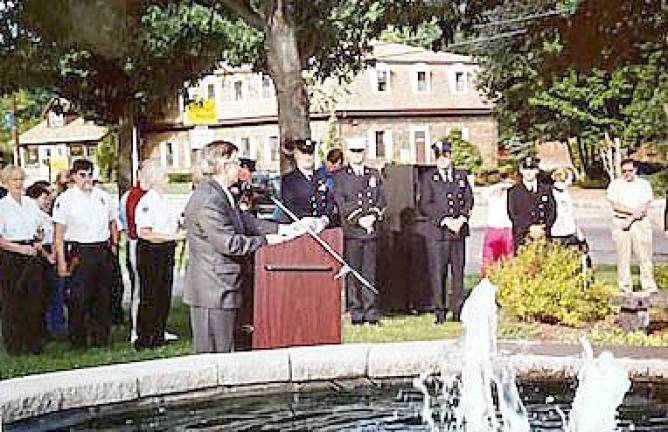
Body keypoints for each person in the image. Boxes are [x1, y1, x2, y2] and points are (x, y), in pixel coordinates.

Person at [183, 140, 306, 353]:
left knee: (229, 353)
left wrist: (285, 229)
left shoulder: (221, 193)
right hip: (213, 292)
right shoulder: (209, 199)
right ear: (224, 165)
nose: (240, 168)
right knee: (215, 358)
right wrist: (267, 242)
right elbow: (229, 243)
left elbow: (245, 221)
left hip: (224, 287)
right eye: (237, 162)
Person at [53, 159, 119, 348]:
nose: (87, 179)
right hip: (79, 251)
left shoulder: (102, 196)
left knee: (103, 296)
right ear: (74, 176)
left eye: (90, 174)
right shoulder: (65, 199)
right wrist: (62, 263)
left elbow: (113, 222)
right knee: (78, 298)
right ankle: (78, 340)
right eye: (82, 175)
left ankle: (101, 339)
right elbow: (58, 234)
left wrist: (113, 245)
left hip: (101, 249)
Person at [418, 140, 474, 323]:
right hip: (438, 233)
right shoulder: (428, 178)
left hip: (458, 232)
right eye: (440, 157)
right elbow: (425, 204)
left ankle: (458, 311)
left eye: (446, 156)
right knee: (438, 273)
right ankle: (440, 311)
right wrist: (445, 220)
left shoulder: (460, 176)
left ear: (451, 157)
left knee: (458, 273)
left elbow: (468, 199)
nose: (443, 160)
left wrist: (462, 218)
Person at [333, 137, 386, 325]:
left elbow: (381, 200)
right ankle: (355, 311)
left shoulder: (373, 174)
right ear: (348, 153)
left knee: (370, 272)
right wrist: (359, 219)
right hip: (353, 232)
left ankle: (370, 311)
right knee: (353, 272)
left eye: (360, 151)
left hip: (371, 230)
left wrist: (372, 216)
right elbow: (341, 201)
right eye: (354, 151)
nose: (357, 155)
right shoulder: (340, 176)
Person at [133, 161, 186, 350]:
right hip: (151, 251)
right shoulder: (147, 202)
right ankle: (145, 337)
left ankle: (159, 333)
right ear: (155, 179)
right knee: (150, 295)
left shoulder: (166, 200)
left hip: (166, 249)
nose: (168, 179)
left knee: (164, 293)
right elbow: (145, 233)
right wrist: (173, 236)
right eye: (164, 176)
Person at [0, 166, 50, 354]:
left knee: (35, 299)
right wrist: (19, 249)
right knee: (13, 301)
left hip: (32, 251)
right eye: (14, 180)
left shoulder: (30, 203)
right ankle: (14, 345)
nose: (19, 183)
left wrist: (38, 240)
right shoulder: (2, 207)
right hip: (12, 254)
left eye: (21, 179)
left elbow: (40, 225)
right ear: (5, 183)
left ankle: (34, 343)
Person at [607, 159, 657, 293]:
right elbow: (616, 205)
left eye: (630, 171)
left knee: (644, 256)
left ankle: (648, 286)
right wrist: (630, 215)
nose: (627, 174)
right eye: (624, 171)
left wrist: (632, 219)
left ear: (635, 170)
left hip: (640, 222)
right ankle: (624, 286)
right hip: (621, 222)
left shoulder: (643, 184)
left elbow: (645, 205)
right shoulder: (615, 185)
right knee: (623, 257)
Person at [26, 182, 67, 336]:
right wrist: (48, 255)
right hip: (45, 254)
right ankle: (52, 327)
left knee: (56, 292)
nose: (48, 201)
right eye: (44, 197)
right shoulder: (35, 216)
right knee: (50, 293)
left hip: (53, 251)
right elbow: (37, 239)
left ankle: (57, 325)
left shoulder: (47, 215)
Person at [280, 139, 334, 229]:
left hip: (323, 228)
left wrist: (325, 219)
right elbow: (290, 207)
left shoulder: (321, 177)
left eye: (310, 154)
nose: (308, 157)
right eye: (304, 154)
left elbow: (330, 202)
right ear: (296, 155)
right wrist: (309, 222)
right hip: (301, 229)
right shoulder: (289, 180)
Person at [507, 156, 556, 251]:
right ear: (521, 170)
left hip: (543, 234)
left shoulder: (546, 189)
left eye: (532, 169)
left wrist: (543, 227)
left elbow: (552, 211)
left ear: (537, 170)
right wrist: (530, 228)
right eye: (525, 169)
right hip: (523, 236)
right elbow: (513, 214)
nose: (528, 172)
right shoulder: (514, 191)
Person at [480, 171, 514, 277]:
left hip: (508, 228)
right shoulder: (489, 194)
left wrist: (504, 184)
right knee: (489, 260)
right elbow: (488, 192)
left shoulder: (509, 192)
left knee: (509, 259)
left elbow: (512, 185)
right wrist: (499, 185)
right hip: (493, 228)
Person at [550, 167, 583, 246]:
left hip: (569, 231)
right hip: (557, 232)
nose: (571, 181)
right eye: (570, 178)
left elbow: (570, 215)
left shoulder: (566, 192)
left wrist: (577, 231)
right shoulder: (552, 193)